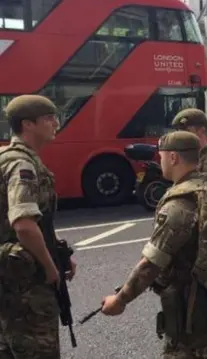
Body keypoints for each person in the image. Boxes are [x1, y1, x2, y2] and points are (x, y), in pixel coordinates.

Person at [101, 131, 207, 358]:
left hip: (193, 316)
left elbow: (151, 263)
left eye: (162, 155)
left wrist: (119, 300)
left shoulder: (180, 204)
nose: (160, 160)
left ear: (174, 158)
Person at [0, 94, 77, 358]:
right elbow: (23, 225)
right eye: (48, 118)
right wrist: (50, 266)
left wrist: (56, 250)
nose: (55, 123)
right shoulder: (22, 165)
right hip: (24, 284)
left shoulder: (7, 158)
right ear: (28, 124)